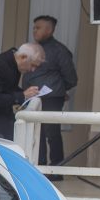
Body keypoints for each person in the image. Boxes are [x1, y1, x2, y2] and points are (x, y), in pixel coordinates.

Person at [23, 15, 78, 175]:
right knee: (35, 134)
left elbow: (71, 78)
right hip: (31, 98)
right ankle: (39, 168)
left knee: (51, 132)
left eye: (38, 27)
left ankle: (56, 169)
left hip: (51, 98)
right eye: (34, 27)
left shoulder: (59, 50)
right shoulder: (32, 48)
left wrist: (59, 90)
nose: (34, 30)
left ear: (49, 30)